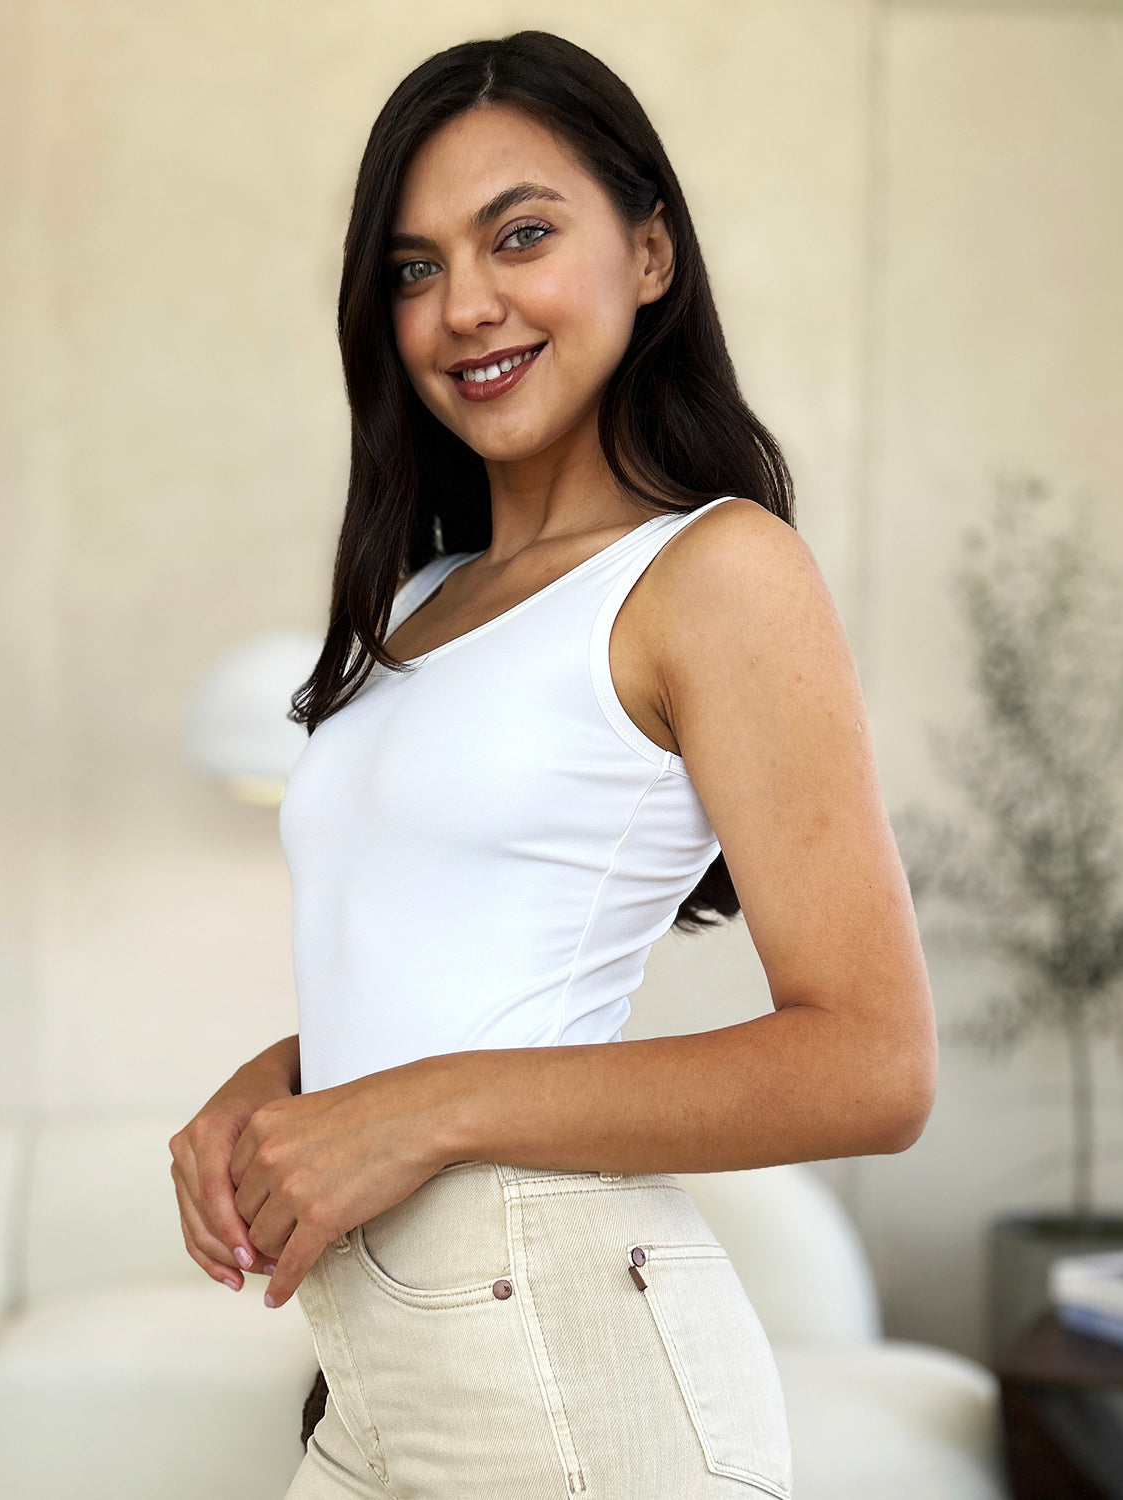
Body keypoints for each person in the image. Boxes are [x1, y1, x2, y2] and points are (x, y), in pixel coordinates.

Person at [169, 29, 938, 1499]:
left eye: (519, 235)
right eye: (411, 269)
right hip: (378, 1379)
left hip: (567, 1371)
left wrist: (418, 1108)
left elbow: (873, 1064)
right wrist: (280, 1090)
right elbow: (443, 965)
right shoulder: (410, 603)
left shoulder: (715, 570)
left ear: (648, 252)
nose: (465, 307)